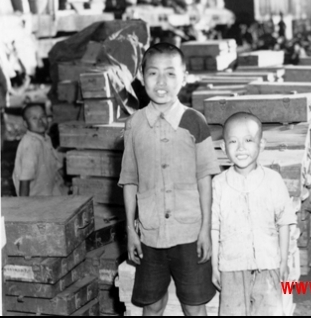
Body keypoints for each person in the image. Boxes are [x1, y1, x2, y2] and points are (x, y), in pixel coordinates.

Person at [118, 42, 220, 316]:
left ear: (184, 78)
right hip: (150, 235)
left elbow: (205, 180)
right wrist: (131, 231)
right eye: (153, 73)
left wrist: (205, 231)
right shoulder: (134, 125)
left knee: (194, 305)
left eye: (171, 73)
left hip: (189, 232)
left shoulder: (194, 121)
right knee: (152, 304)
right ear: (141, 77)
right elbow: (129, 181)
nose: (161, 82)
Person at [211, 112, 297, 316]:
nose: (241, 148)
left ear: (262, 144)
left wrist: (283, 261)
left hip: (268, 264)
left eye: (249, 140)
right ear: (223, 147)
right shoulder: (219, 184)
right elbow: (214, 227)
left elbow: (285, 222)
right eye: (233, 141)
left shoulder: (273, 180)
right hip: (231, 266)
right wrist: (214, 266)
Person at [12, 103, 68, 197]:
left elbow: (54, 166)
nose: (40, 121)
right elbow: (24, 180)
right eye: (34, 118)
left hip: (48, 195)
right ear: (26, 124)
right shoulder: (30, 145)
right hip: (34, 199)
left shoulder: (46, 139)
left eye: (42, 116)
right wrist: (23, 205)